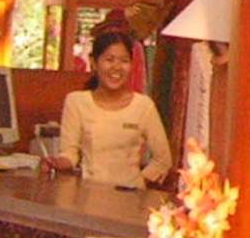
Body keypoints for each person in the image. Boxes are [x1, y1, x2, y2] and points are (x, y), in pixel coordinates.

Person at [48, 29, 171, 188]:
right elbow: (69, 154)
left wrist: (138, 185)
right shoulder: (76, 102)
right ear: (93, 62)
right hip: (88, 196)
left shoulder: (144, 106)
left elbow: (163, 161)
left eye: (124, 61)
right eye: (109, 59)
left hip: (129, 198)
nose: (116, 67)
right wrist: (57, 163)